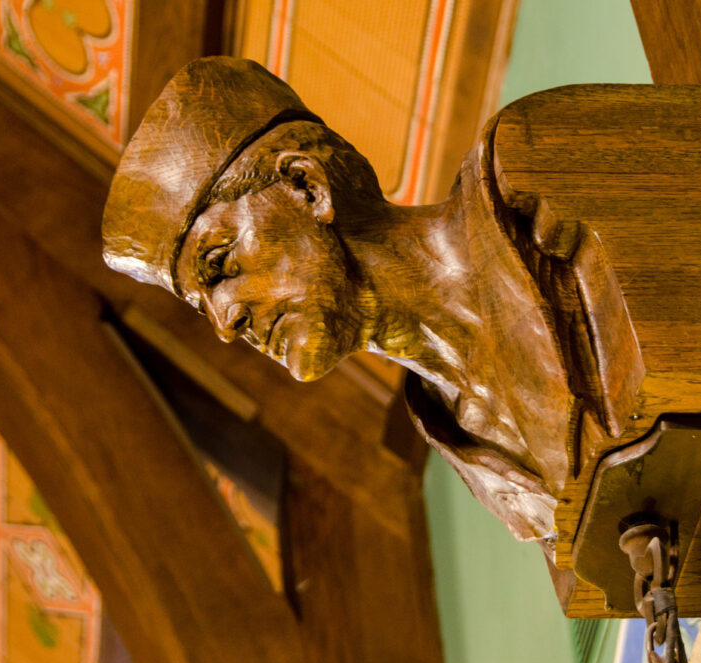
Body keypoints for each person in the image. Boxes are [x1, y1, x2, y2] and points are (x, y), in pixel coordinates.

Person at [103, 57, 643, 546]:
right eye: (202, 306)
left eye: (219, 265)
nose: (226, 323)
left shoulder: (533, 171)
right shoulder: (456, 439)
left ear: (306, 187)